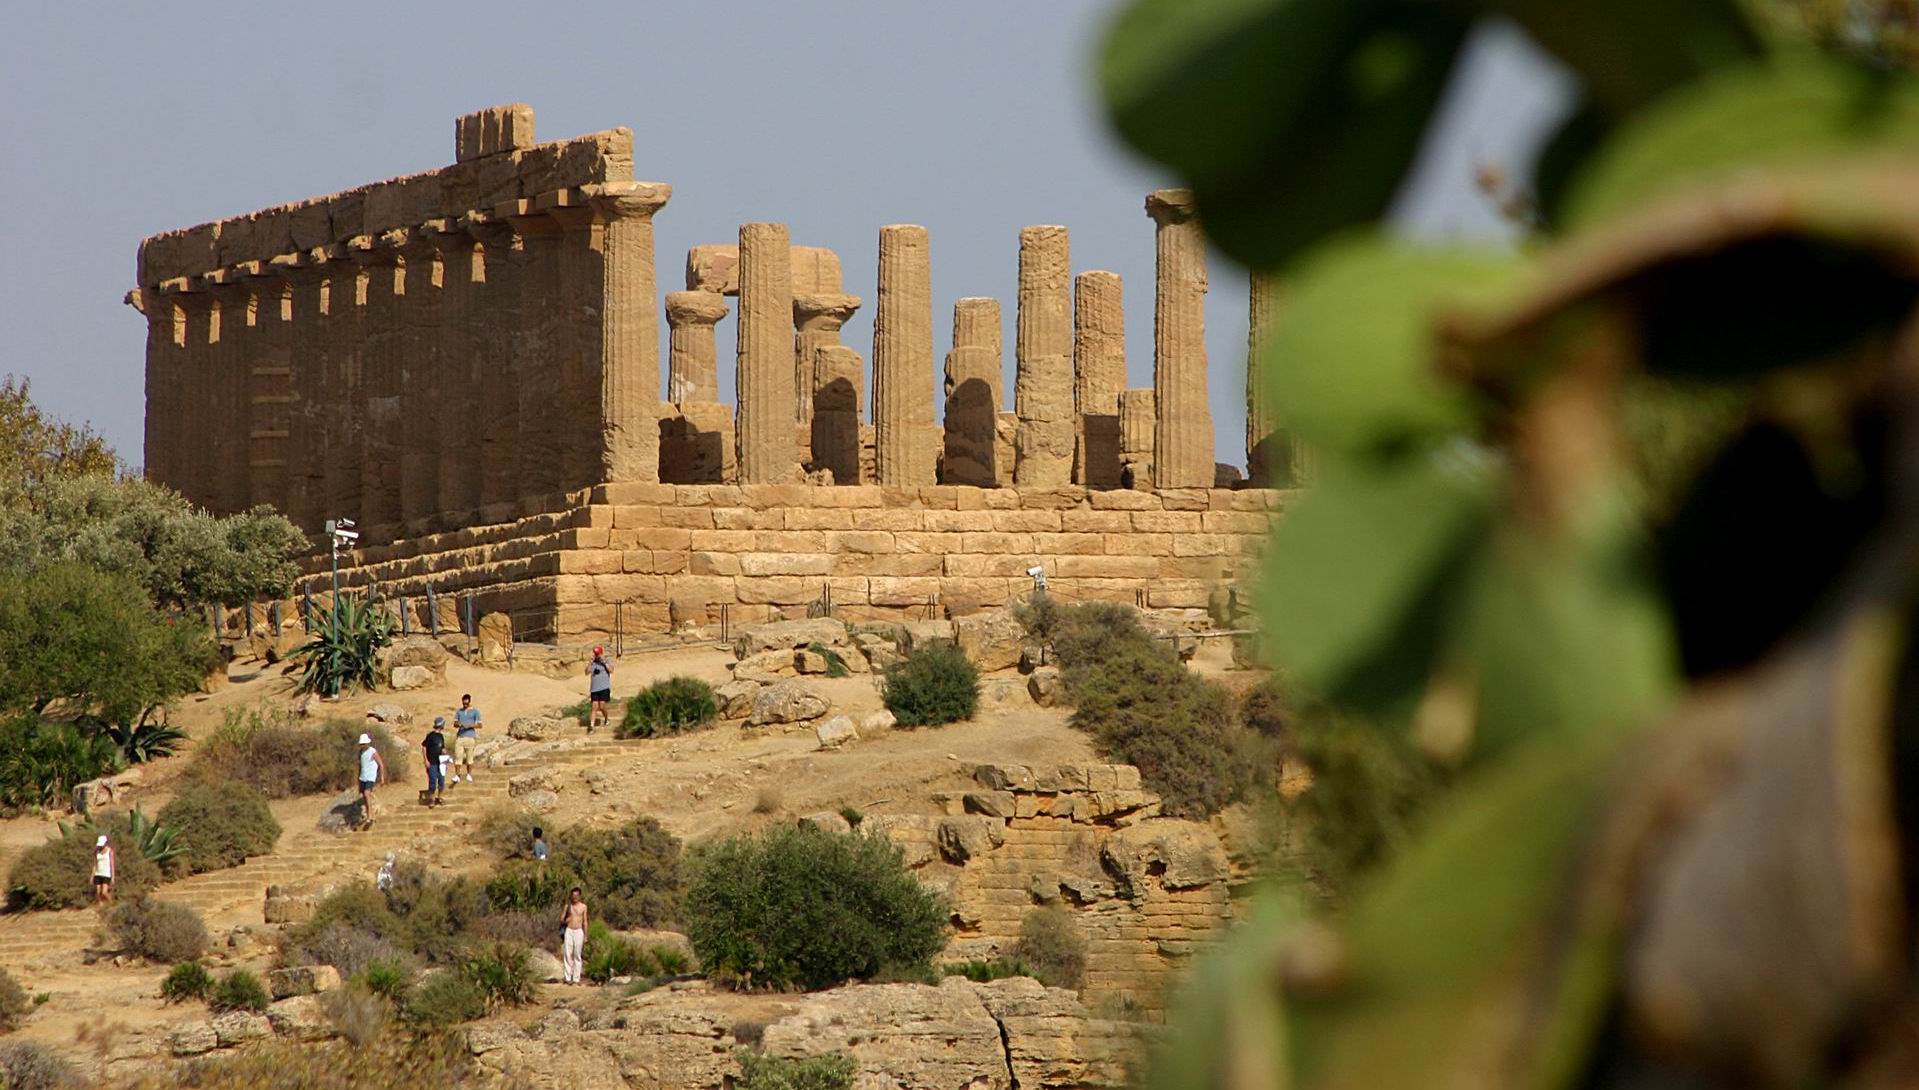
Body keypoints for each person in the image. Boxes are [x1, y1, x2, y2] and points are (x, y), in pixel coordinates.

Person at [356, 731, 385, 831]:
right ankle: (368, 814)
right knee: (364, 795)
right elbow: (360, 765)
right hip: (363, 777)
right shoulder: (361, 753)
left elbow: (380, 764)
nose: (363, 745)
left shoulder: (373, 751)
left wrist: (381, 777)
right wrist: (358, 778)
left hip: (370, 776)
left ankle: (370, 816)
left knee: (367, 793)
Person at [560, 887, 588, 985]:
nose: (575, 897)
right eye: (573, 895)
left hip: (579, 931)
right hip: (569, 930)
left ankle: (576, 978)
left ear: (579, 896)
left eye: (576, 895)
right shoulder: (567, 906)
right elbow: (561, 918)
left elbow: (585, 921)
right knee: (568, 954)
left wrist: (586, 935)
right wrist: (565, 920)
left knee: (577, 955)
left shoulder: (583, 907)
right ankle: (567, 977)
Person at [453, 694, 482, 783]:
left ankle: (469, 774)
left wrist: (470, 725)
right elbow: (455, 723)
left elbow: (480, 725)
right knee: (458, 756)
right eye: (463, 703)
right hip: (460, 736)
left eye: (466, 703)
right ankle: (457, 775)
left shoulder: (475, 712)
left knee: (470, 757)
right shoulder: (459, 711)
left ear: (469, 702)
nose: (465, 705)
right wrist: (460, 724)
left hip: (470, 736)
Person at [586, 648, 613, 733]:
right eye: (595, 654)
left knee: (601, 706)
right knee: (594, 707)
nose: (597, 656)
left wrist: (604, 662)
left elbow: (611, 670)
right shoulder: (593, 662)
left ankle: (606, 718)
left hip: (604, 687)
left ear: (601, 653)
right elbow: (587, 672)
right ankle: (591, 726)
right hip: (594, 689)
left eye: (598, 654)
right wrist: (590, 663)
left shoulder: (606, 661)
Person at [422, 718, 447, 806]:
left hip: (441, 762)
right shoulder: (431, 735)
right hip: (432, 762)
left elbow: (442, 748)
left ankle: (439, 797)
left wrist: (445, 754)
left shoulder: (441, 736)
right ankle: (432, 799)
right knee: (432, 781)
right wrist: (426, 760)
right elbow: (424, 747)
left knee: (441, 781)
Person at [92, 834, 115, 905]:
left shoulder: (110, 851)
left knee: (104, 892)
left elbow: (112, 864)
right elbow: (95, 864)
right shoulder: (97, 852)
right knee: (98, 892)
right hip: (98, 873)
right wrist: (92, 875)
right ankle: (100, 905)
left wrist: (113, 877)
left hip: (106, 874)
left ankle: (111, 903)